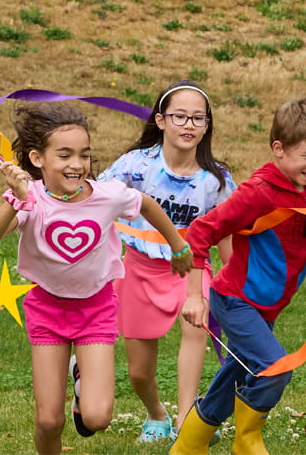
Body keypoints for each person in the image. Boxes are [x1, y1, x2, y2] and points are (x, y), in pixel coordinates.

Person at [0, 103, 191, 455]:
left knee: (97, 418)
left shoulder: (107, 195)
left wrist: (178, 245)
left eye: (84, 155)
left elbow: (148, 205)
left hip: (96, 309)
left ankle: (82, 385)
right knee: (49, 421)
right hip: (47, 310)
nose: (77, 164)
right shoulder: (29, 200)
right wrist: (16, 201)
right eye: (64, 155)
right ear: (37, 159)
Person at [170, 98, 306, 455]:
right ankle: (246, 439)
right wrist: (193, 296)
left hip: (268, 305)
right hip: (235, 299)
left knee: (236, 372)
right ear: (278, 149)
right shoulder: (258, 192)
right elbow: (200, 233)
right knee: (276, 368)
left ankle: (189, 445)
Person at [97, 81, 235, 443]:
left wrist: (236, 284)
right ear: (160, 120)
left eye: (197, 119)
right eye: (179, 117)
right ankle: (157, 415)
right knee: (139, 372)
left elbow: (225, 233)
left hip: (191, 270)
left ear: (207, 126)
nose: (188, 125)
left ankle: (189, 420)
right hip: (138, 271)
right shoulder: (135, 165)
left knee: (195, 328)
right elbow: (95, 198)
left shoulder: (216, 179)